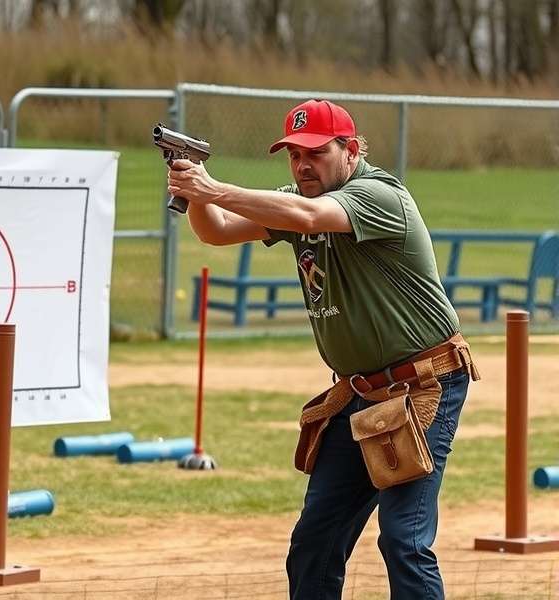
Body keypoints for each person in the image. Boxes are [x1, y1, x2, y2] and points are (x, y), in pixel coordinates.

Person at [167, 99, 480, 599]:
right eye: (292, 155)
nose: (301, 165)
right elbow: (217, 231)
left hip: (422, 385)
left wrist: (215, 187)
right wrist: (195, 188)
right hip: (357, 393)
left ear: (351, 150)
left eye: (314, 152)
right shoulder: (300, 200)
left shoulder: (379, 194)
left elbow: (309, 216)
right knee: (315, 539)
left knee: (404, 540)